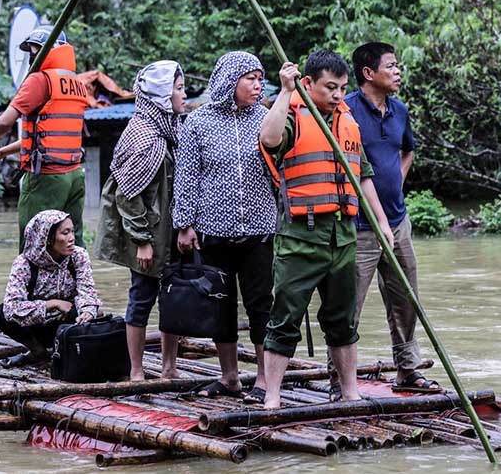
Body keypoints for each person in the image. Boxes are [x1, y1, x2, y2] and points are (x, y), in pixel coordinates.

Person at [259, 50, 394, 409]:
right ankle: (272, 396)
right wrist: (286, 91)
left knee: (342, 318)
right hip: (301, 236)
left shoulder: (348, 121)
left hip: (342, 235)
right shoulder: (292, 115)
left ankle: (349, 391)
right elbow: (270, 140)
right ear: (309, 84)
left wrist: (382, 222)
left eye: (342, 88)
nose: (337, 95)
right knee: (285, 315)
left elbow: (361, 176)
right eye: (329, 87)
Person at [172, 51, 277, 402]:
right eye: (250, 78)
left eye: (260, 78)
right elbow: (185, 177)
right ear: (230, 80)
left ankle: (264, 381)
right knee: (221, 305)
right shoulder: (197, 122)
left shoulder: (267, 118)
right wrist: (184, 225)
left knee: (262, 304)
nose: (258, 84)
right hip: (213, 231)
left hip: (259, 230)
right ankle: (230, 377)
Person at [341, 42, 440, 392]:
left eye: (398, 65)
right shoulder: (345, 110)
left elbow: (407, 150)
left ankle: (408, 369)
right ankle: (341, 379)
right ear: (369, 73)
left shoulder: (399, 110)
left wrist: (394, 185)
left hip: (398, 221)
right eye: (391, 66)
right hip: (359, 226)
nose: (398, 72)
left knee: (405, 298)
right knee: (348, 303)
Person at [94, 60, 187, 381]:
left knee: (174, 300)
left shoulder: (171, 128)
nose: (183, 94)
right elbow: (127, 196)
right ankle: (135, 370)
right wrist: (142, 241)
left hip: (172, 230)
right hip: (148, 234)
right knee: (141, 298)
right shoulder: (143, 136)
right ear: (162, 95)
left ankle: (169, 367)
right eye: (177, 89)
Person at [0, 26, 88, 252]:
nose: (31, 57)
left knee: (34, 246)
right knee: (71, 245)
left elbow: (5, 123)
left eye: (34, 50)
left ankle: (31, 288)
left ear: (47, 51)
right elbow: (47, 138)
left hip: (46, 178)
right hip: (74, 176)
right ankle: (78, 287)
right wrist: (0, 154)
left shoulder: (40, 80)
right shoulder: (75, 82)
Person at [0, 209, 101, 365]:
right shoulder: (24, 263)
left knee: (96, 312)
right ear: (48, 238)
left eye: (72, 232)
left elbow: (87, 291)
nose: (72, 238)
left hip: (66, 323)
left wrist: (87, 311)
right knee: (2, 314)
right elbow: (12, 307)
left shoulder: (79, 256)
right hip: (33, 326)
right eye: (65, 233)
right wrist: (52, 304)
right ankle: (37, 351)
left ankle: (68, 349)